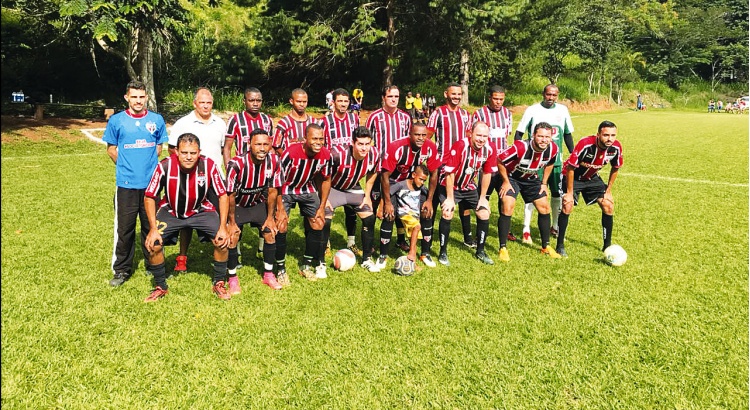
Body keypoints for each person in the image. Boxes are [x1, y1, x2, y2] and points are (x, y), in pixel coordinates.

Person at [142, 133, 231, 301]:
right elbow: (149, 196)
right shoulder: (164, 166)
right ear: (176, 151)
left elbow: (223, 195)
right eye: (184, 153)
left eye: (193, 153)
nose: (189, 157)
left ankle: (219, 283)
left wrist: (223, 227)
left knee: (222, 240)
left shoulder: (209, 165)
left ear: (199, 152)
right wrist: (153, 229)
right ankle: (160, 286)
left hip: (201, 210)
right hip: (171, 211)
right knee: (153, 244)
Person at [103, 80, 168, 287]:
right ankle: (122, 269)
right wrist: (126, 167)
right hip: (126, 185)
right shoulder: (117, 121)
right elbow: (111, 149)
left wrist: (147, 169)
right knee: (125, 229)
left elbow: (159, 148)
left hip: (151, 186)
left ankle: (153, 264)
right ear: (127, 97)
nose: (138, 101)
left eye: (142, 97)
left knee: (151, 226)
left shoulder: (157, 120)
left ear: (146, 97)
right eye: (134, 97)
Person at [168, 87, 227, 274]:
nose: (206, 106)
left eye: (209, 102)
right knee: (187, 218)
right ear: (194, 103)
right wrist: (186, 170)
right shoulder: (183, 123)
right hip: (189, 181)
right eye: (202, 102)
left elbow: (225, 148)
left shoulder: (220, 123)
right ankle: (182, 257)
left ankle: (222, 256)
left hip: (214, 180)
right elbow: (172, 150)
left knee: (220, 218)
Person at [514, 84, 575, 245]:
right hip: (535, 163)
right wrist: (520, 155)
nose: (551, 98)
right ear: (543, 94)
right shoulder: (532, 110)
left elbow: (567, 134)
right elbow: (519, 133)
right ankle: (526, 229)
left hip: (555, 162)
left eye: (554, 95)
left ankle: (554, 226)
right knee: (532, 196)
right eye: (548, 94)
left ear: (558, 95)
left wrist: (573, 154)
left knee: (556, 194)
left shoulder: (562, 110)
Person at [225, 129, 284, 291]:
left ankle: (268, 274)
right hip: (237, 205)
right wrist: (231, 222)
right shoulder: (236, 164)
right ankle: (232, 277)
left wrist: (270, 217)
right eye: (258, 144)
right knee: (233, 235)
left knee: (270, 232)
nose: (262, 148)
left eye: (266, 144)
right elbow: (229, 195)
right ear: (249, 144)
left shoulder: (275, 161)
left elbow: (273, 191)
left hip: (257, 203)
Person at [555, 121, 624, 256]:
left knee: (608, 205)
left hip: (591, 177)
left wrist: (608, 191)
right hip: (572, 176)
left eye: (613, 135)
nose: (610, 139)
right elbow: (570, 168)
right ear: (598, 134)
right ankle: (560, 245)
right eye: (606, 135)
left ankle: (607, 246)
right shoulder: (585, 144)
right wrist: (569, 193)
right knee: (568, 205)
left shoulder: (616, 147)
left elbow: (616, 167)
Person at [379, 123, 441, 269]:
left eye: (423, 135)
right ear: (410, 134)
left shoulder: (430, 147)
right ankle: (383, 256)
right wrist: (387, 201)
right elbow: (384, 175)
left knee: (427, 212)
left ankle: (425, 253)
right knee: (389, 215)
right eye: (417, 135)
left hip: (413, 183)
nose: (420, 138)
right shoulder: (397, 147)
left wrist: (430, 200)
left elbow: (434, 174)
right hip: (394, 184)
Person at [496, 122, 562, 261]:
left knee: (544, 207)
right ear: (533, 136)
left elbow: (550, 163)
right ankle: (503, 248)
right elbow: (500, 159)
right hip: (513, 177)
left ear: (551, 137)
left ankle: (546, 247)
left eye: (547, 137)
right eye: (540, 136)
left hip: (531, 178)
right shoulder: (521, 146)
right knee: (508, 206)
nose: (544, 140)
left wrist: (544, 183)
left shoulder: (553, 149)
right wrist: (506, 181)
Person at [275, 123, 332, 282]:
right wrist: (279, 208)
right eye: (314, 138)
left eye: (321, 139)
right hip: (285, 189)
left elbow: (326, 180)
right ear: (305, 139)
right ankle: (280, 268)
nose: (318, 142)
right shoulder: (291, 153)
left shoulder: (325, 155)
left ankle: (306, 265)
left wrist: (322, 206)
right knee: (281, 224)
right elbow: (277, 181)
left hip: (306, 188)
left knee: (318, 222)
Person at [436, 121, 497, 266]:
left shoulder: (490, 148)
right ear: (470, 133)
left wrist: (483, 198)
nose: (481, 139)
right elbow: (449, 173)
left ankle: (480, 251)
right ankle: (442, 252)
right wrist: (450, 198)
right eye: (478, 135)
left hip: (468, 186)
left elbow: (487, 173)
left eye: (485, 136)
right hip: (449, 185)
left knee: (484, 213)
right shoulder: (461, 146)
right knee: (447, 212)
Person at [224, 87, 274, 261]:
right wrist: (230, 170)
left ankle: (262, 247)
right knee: (238, 208)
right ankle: (235, 250)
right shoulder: (235, 120)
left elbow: (271, 146)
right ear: (244, 101)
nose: (255, 103)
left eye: (258, 100)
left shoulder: (267, 120)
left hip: (262, 172)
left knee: (267, 205)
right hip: (242, 173)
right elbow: (228, 147)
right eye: (251, 100)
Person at [323, 127, 380, 272]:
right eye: (360, 144)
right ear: (353, 143)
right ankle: (321, 258)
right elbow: (323, 176)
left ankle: (367, 259)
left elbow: (373, 173)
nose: (364, 148)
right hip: (333, 188)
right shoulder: (337, 154)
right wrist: (324, 199)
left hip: (352, 188)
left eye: (367, 144)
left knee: (369, 217)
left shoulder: (374, 154)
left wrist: (367, 196)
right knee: (325, 217)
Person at [426, 82, 474, 248]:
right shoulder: (438, 113)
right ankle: (429, 235)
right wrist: (428, 158)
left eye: (459, 94)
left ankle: (467, 237)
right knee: (435, 200)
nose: (456, 97)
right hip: (441, 164)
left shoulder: (466, 115)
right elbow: (428, 136)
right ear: (446, 94)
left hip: (461, 164)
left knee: (465, 201)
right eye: (453, 94)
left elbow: (469, 138)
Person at [366, 85, 413, 252]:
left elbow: (409, 141)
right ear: (383, 98)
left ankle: (400, 239)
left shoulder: (405, 117)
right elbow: (367, 142)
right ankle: (370, 241)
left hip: (400, 170)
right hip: (379, 169)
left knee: (400, 203)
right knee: (373, 204)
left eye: (396, 96)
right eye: (390, 96)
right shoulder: (374, 117)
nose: (394, 99)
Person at [471, 85, 516, 242]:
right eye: (495, 98)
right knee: (483, 197)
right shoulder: (479, 114)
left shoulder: (507, 114)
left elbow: (506, 137)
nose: (498, 102)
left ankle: (505, 230)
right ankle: (479, 232)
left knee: (504, 197)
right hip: (485, 164)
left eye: (501, 99)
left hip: (502, 164)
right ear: (489, 98)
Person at [320, 88, 361, 255]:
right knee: (328, 208)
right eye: (340, 101)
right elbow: (320, 145)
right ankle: (326, 242)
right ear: (333, 102)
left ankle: (351, 241)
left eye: (346, 101)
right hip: (331, 172)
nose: (343, 104)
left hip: (351, 171)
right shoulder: (325, 121)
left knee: (352, 208)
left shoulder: (354, 119)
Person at [388, 165, 430, 266]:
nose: (422, 182)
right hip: (404, 213)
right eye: (420, 179)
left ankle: (413, 264)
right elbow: (387, 192)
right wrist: (382, 206)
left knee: (413, 239)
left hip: (415, 215)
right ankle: (411, 254)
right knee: (417, 226)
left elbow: (429, 194)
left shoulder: (421, 188)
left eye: (424, 181)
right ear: (413, 175)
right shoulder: (401, 185)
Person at [272, 88, 316, 156]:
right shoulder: (284, 123)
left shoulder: (313, 122)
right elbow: (276, 146)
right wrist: (288, 158)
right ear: (291, 101)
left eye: (304, 102)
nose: (302, 104)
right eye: (298, 101)